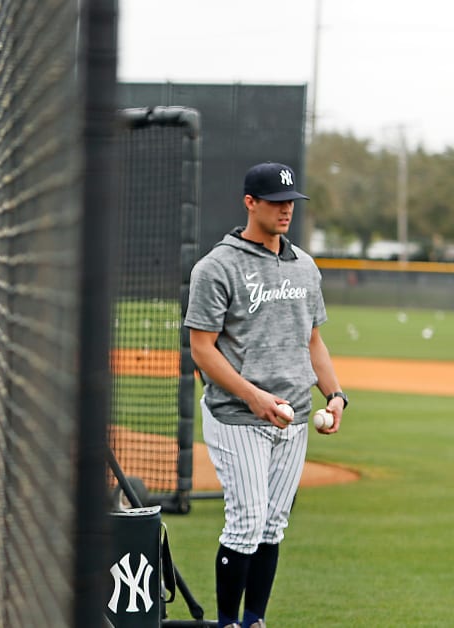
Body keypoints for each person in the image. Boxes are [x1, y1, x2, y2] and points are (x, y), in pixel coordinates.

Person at [184, 162, 347, 628]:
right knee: (247, 522)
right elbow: (202, 349)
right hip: (238, 416)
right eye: (275, 201)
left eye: (290, 201)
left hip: (295, 417)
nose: (285, 210)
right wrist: (254, 397)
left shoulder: (304, 265)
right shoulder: (217, 267)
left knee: (273, 524)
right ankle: (227, 622)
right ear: (250, 202)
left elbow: (312, 341)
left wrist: (335, 394)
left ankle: (254, 620)